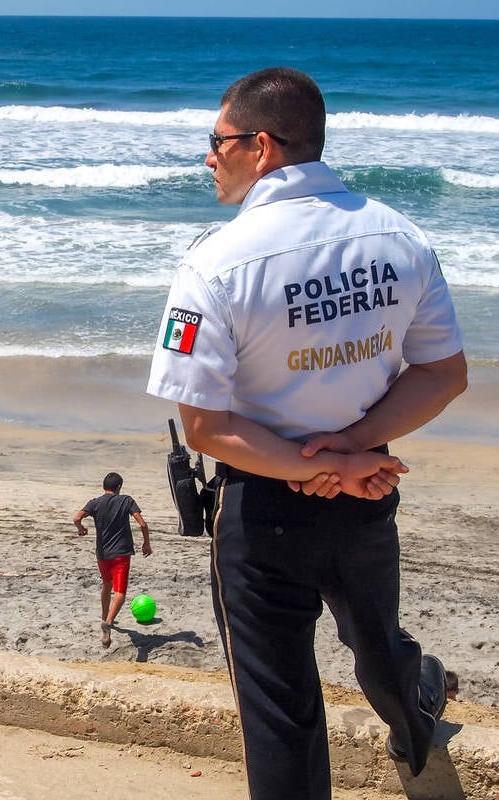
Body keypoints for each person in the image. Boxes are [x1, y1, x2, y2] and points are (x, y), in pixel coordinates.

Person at [147, 67, 467, 800]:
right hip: (367, 490)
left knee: (280, 711)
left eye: (216, 142)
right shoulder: (400, 234)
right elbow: (443, 374)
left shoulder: (215, 262)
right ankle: (416, 729)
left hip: (262, 513)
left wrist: (303, 463)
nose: (208, 158)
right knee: (379, 644)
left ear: (260, 146)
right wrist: (351, 450)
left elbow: (204, 426)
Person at [73, 472, 152, 648]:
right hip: (121, 553)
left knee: (106, 585)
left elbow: (77, 517)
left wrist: (81, 529)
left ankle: (104, 616)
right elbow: (143, 524)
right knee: (120, 593)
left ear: (104, 487)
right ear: (119, 487)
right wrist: (146, 544)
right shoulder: (126, 500)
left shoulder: (95, 503)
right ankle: (107, 622)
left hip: (102, 554)